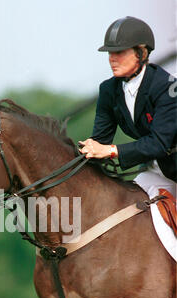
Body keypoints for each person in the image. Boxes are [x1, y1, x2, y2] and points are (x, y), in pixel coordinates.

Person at [79, 16, 177, 203]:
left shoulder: (167, 87)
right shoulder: (108, 90)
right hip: (156, 171)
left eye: (119, 52)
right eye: (109, 53)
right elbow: (100, 141)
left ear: (141, 53)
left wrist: (111, 150)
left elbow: (158, 143)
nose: (112, 59)